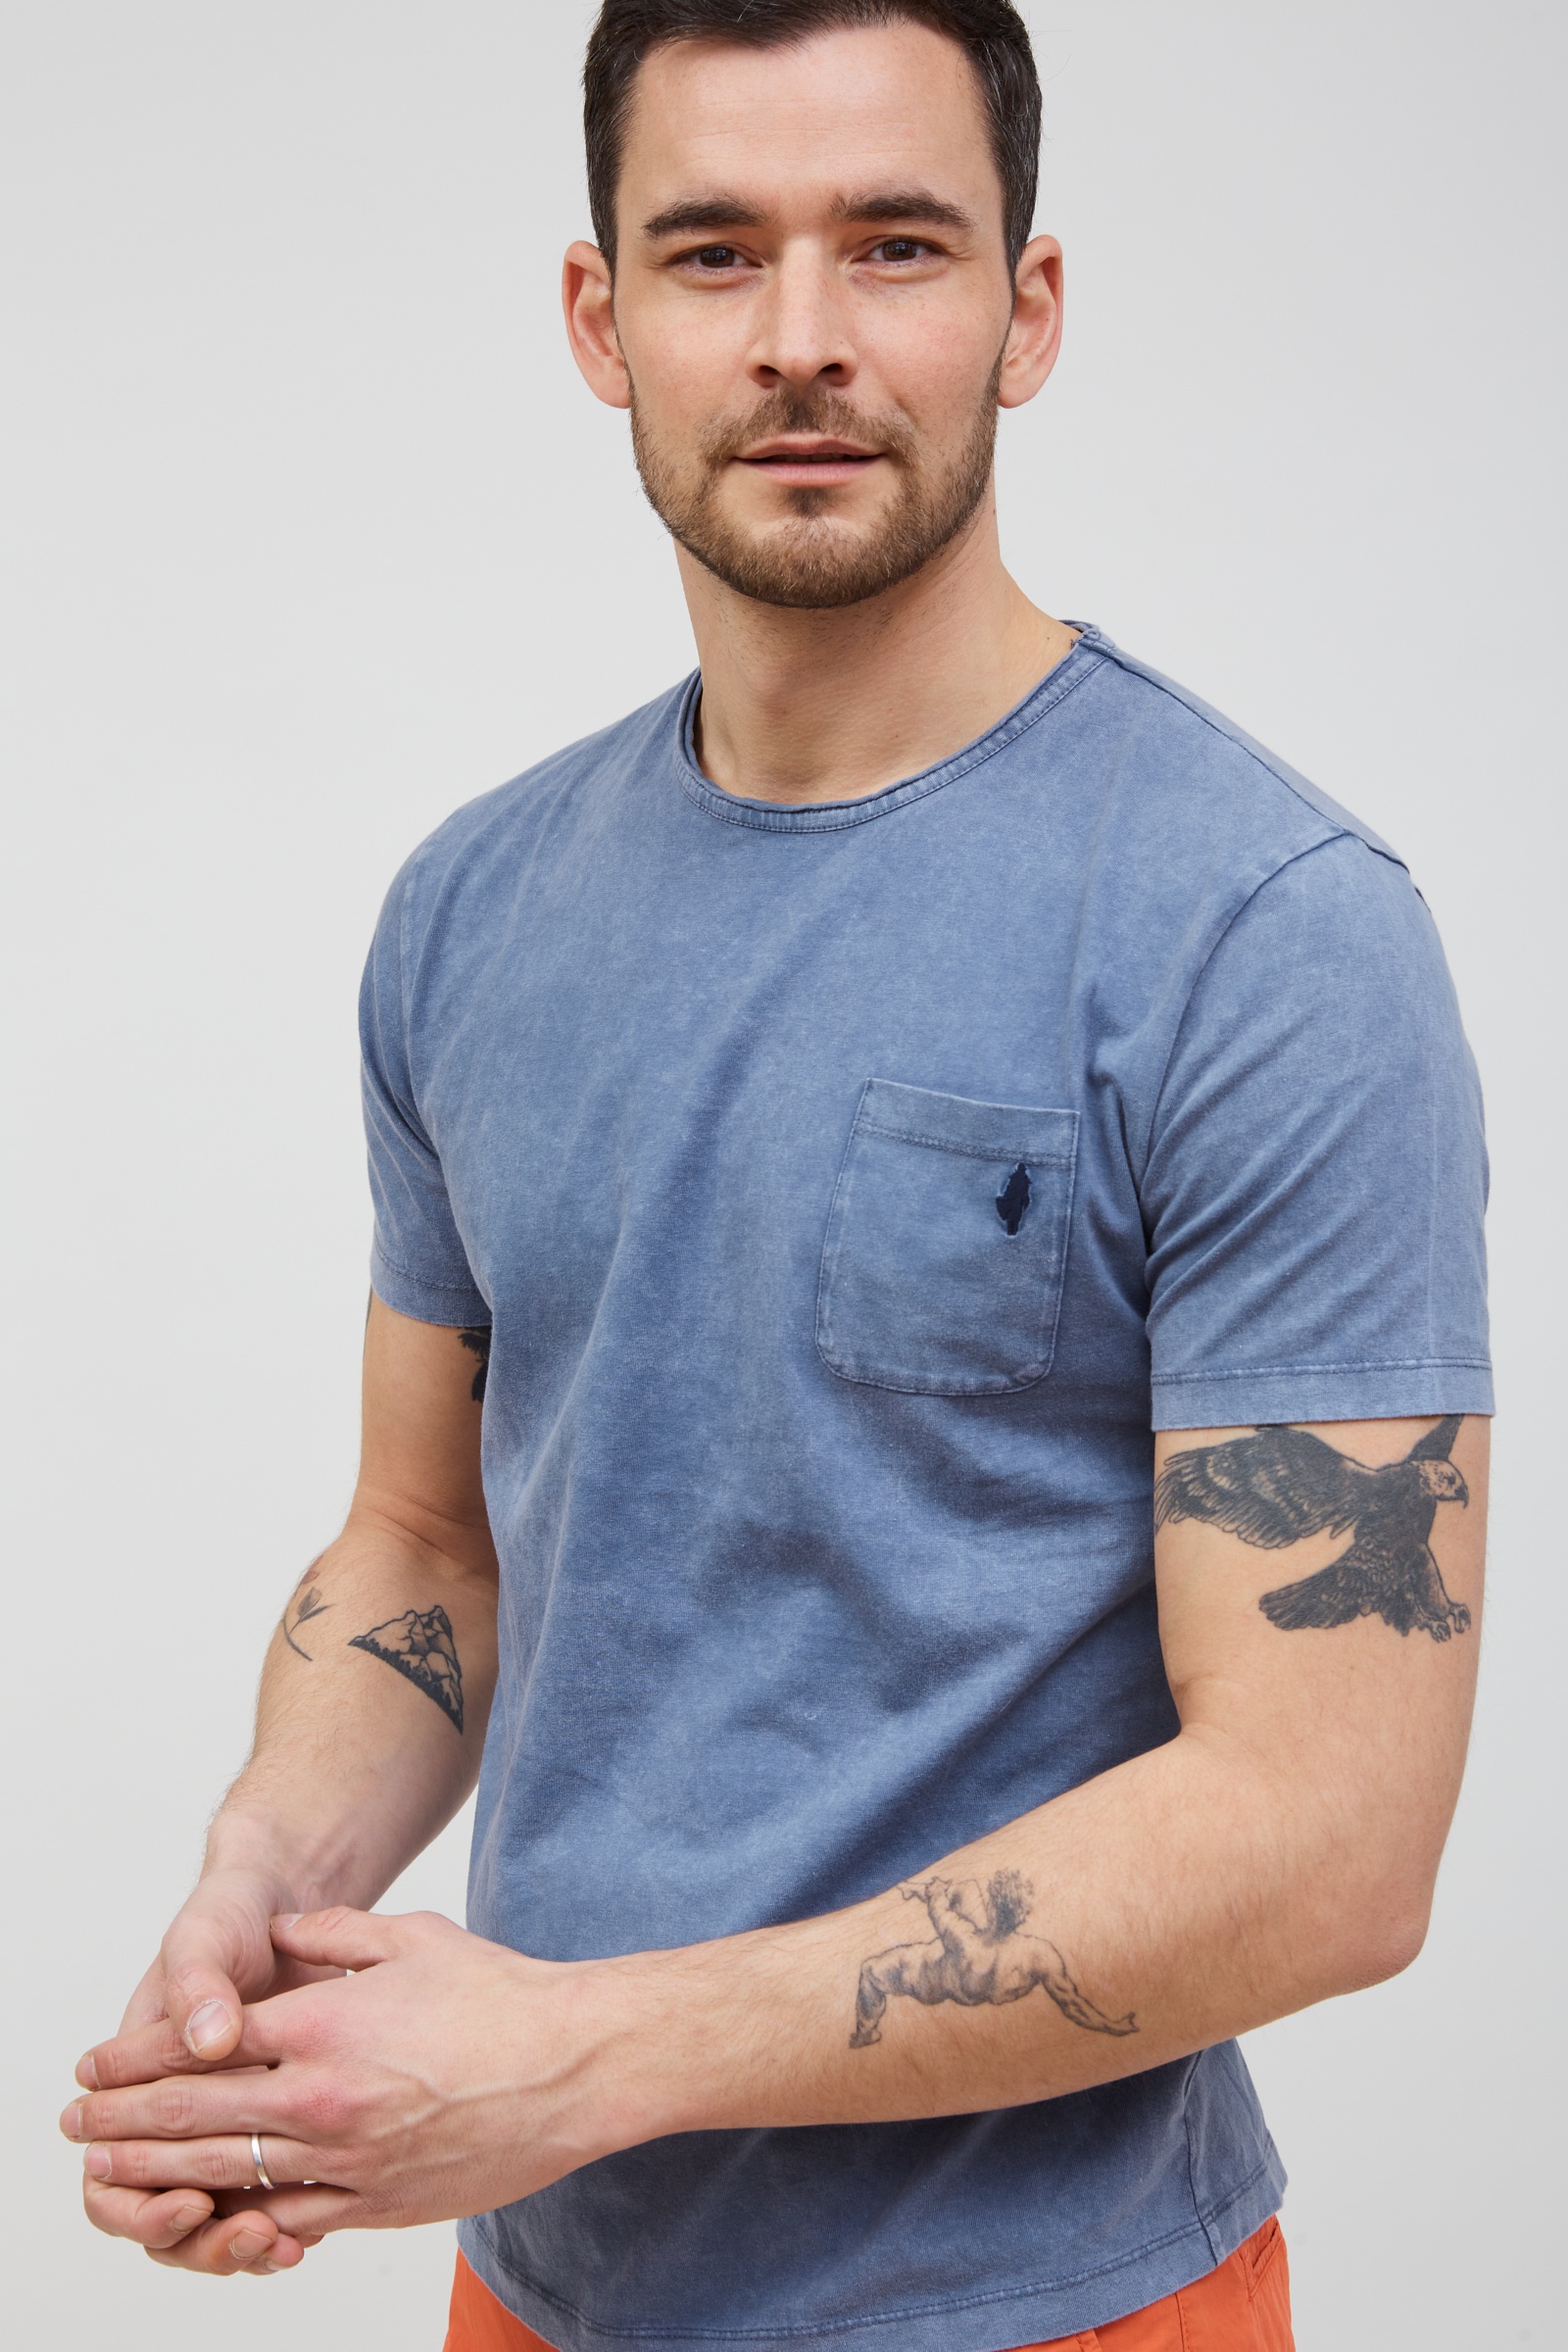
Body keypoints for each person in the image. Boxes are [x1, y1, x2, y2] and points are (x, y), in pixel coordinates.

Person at [63, 5, 1493, 2348]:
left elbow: (1330, 1844)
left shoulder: (1261, 934)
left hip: (1049, 2314)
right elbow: (427, 1544)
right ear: (597, 316)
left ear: (1026, 308)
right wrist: (258, 1891)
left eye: (894, 245)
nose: (802, 337)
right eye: (713, 251)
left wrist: (575, 2060)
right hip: (540, 2291)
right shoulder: (473, 908)